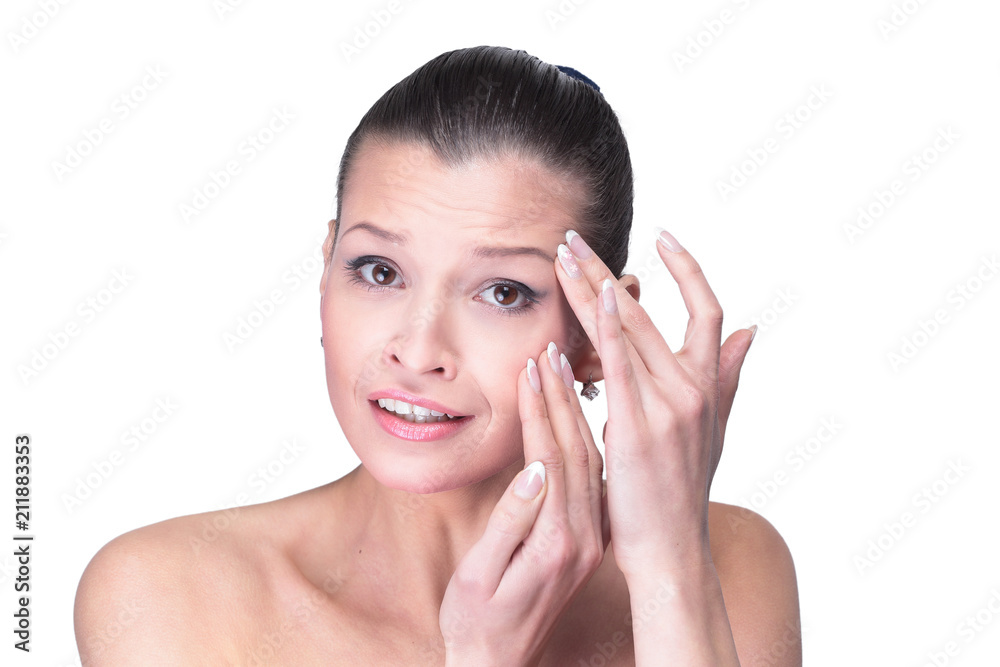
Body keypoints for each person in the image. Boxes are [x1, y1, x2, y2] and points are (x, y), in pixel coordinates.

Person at [74, 45, 801, 665]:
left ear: (595, 329)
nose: (419, 351)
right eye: (379, 271)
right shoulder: (166, 594)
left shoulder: (729, 562)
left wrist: (670, 567)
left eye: (503, 292)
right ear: (326, 271)